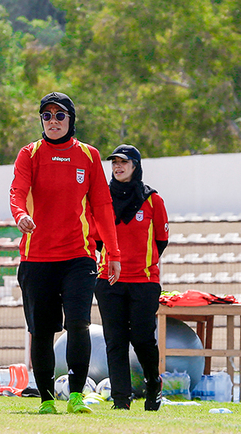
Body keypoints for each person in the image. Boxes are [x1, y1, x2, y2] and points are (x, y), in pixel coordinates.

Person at [9, 91, 122, 415]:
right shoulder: (29, 154)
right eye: (47, 116)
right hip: (37, 258)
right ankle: (46, 399)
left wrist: (112, 253)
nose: (53, 121)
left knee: (78, 323)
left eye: (60, 116)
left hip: (79, 256)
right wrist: (21, 216)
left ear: (71, 120)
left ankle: (75, 396)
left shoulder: (88, 156)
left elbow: (102, 206)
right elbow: (17, 192)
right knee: (42, 331)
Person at [95, 144, 169, 411]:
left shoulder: (153, 200)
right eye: (114, 162)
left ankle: (153, 385)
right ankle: (121, 400)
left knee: (141, 339)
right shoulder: (101, 198)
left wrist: (140, 263)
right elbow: (95, 238)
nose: (117, 167)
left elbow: (161, 239)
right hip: (108, 281)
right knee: (115, 341)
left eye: (123, 162)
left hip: (144, 282)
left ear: (135, 166)